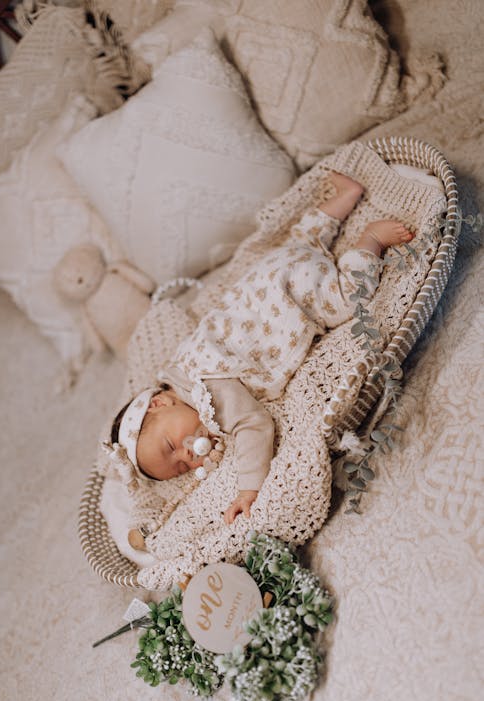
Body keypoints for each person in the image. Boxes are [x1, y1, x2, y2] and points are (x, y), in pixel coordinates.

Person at [107, 172, 414, 530]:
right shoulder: (180, 367)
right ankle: (346, 197)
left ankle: (370, 239)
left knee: (347, 300)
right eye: (180, 468)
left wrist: (248, 489)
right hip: (269, 270)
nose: (187, 455)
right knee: (306, 238)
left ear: (160, 402)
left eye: (170, 446)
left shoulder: (209, 393)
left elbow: (255, 424)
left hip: (291, 292)